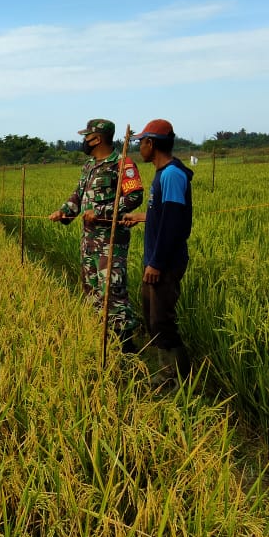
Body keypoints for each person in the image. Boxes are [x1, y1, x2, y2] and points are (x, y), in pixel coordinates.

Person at [49, 119, 144, 351]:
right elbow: (78, 195)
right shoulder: (89, 165)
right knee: (92, 291)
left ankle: (126, 349)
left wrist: (101, 211)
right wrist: (64, 212)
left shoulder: (122, 163)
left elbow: (134, 197)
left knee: (112, 291)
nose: (84, 141)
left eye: (87, 137)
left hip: (110, 242)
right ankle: (103, 341)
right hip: (89, 241)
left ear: (97, 139)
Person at [124, 119, 194, 384]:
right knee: (153, 319)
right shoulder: (162, 172)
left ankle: (178, 379)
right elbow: (163, 213)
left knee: (162, 321)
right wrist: (142, 216)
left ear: (151, 144)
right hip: (155, 258)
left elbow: (173, 223)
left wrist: (156, 263)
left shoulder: (171, 175)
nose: (139, 147)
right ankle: (167, 372)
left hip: (164, 261)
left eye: (141, 142)